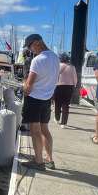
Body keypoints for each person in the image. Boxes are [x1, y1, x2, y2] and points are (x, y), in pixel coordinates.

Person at [21, 34, 60, 170]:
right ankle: (49, 160)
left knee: (35, 131)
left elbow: (29, 85)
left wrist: (24, 88)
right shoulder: (55, 57)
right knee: (45, 130)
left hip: (34, 99)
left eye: (30, 46)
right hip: (47, 99)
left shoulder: (38, 60)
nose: (31, 50)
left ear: (37, 43)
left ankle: (38, 161)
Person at [53, 53, 77, 127]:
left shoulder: (57, 66)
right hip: (69, 87)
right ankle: (64, 123)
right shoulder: (72, 67)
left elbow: (54, 77)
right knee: (66, 105)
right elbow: (75, 78)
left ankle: (57, 119)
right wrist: (74, 85)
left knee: (57, 104)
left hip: (58, 87)